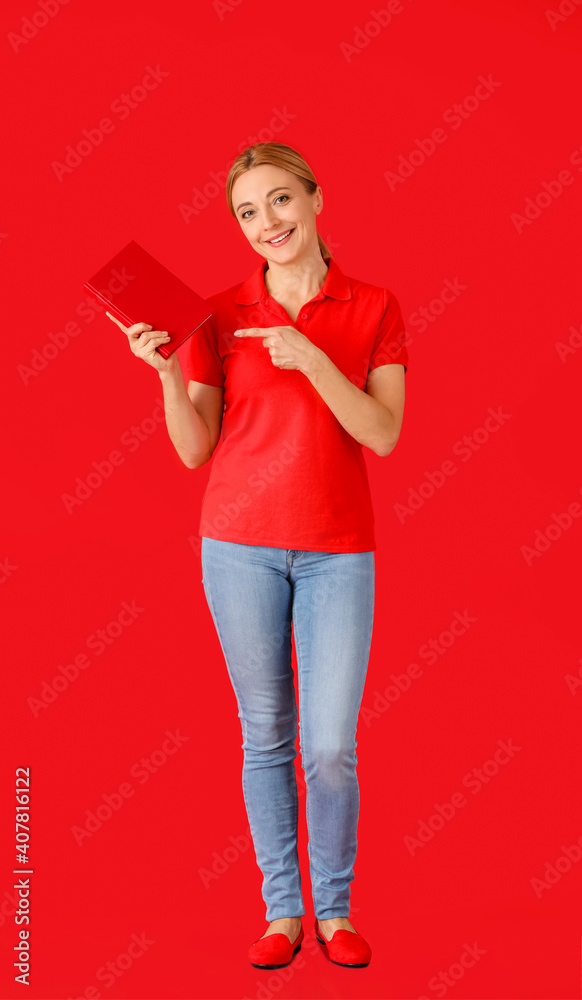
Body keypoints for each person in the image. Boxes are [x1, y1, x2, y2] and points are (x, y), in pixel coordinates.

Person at [107, 141, 408, 970]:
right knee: (267, 731)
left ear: (315, 198)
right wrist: (167, 375)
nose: (267, 222)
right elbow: (194, 451)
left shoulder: (374, 306)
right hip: (236, 545)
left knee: (330, 744)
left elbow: (382, 432)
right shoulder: (218, 312)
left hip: (337, 552)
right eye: (248, 212)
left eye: (279, 201)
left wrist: (312, 358)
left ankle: (335, 911)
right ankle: (282, 914)